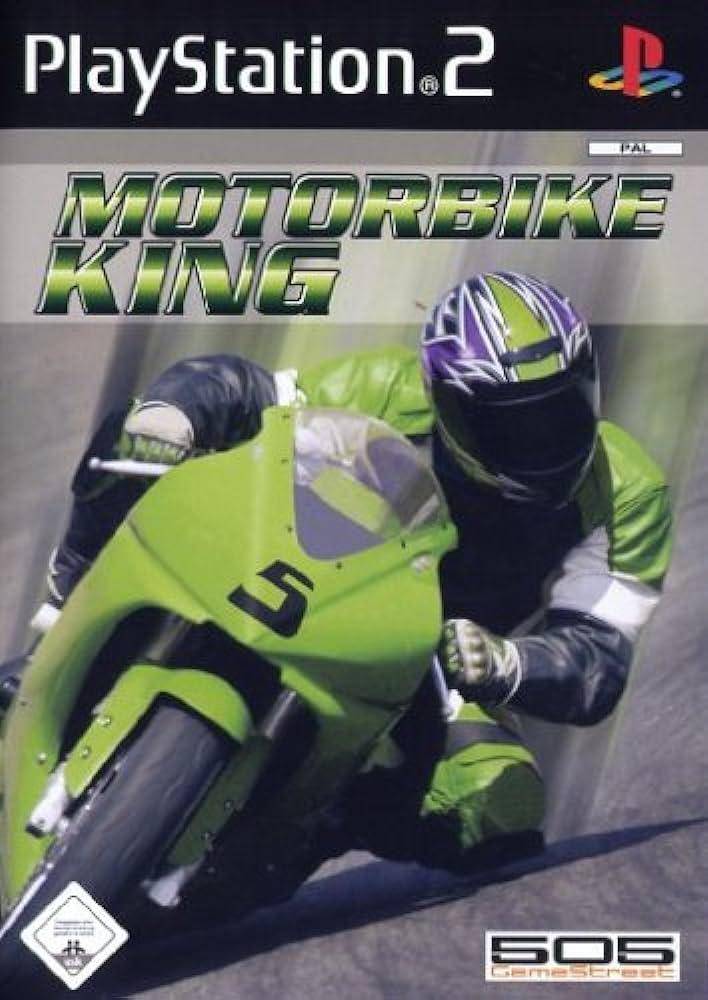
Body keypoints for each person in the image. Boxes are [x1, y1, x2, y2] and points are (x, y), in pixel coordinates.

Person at [30, 271, 672, 873]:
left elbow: (598, 659)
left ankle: (304, 828)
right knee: (138, 428)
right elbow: (242, 389)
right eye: (508, 425)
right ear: (445, 403)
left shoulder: (629, 491)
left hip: (442, 665)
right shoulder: (386, 390)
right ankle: (62, 615)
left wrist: (508, 662)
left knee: (500, 807)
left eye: (560, 410)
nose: (542, 445)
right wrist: (174, 414)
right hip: (308, 577)